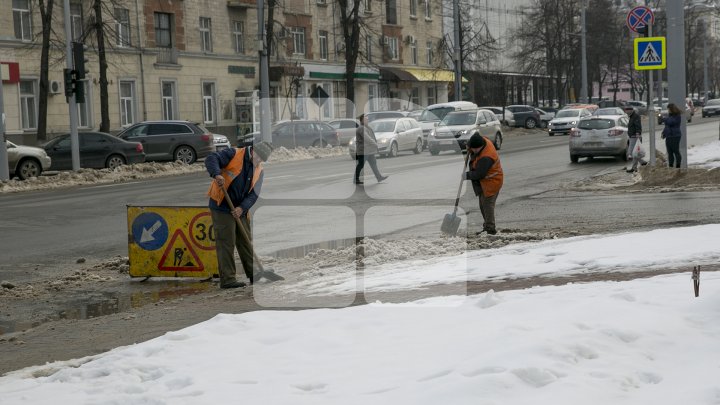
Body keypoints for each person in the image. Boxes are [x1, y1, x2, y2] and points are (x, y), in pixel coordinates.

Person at [205, 141, 273, 288]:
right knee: (226, 242)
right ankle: (228, 279)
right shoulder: (233, 154)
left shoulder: (259, 170)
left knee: (246, 241)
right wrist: (217, 174)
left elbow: (254, 195)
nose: (259, 161)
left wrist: (242, 208)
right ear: (253, 150)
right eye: (258, 156)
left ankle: (253, 274)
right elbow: (211, 158)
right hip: (222, 204)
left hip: (240, 208)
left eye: (262, 159)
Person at [464, 133, 504, 235]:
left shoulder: (486, 157)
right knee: (482, 205)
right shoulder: (482, 140)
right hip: (484, 182)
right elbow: (472, 142)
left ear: (481, 146)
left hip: (492, 181)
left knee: (487, 205)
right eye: (473, 149)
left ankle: (490, 229)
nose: (474, 151)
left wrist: (466, 176)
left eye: (476, 149)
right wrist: (469, 147)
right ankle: (487, 226)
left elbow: (479, 174)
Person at [354, 114, 388, 185]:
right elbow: (367, 138)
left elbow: (371, 136)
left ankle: (379, 177)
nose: (367, 121)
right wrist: (375, 144)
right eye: (366, 120)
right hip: (363, 151)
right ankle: (355, 179)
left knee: (373, 164)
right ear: (362, 121)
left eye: (367, 120)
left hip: (369, 151)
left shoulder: (367, 127)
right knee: (360, 165)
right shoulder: (361, 128)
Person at [624, 106, 647, 173]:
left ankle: (638, 165)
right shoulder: (631, 116)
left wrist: (638, 133)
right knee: (635, 153)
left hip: (635, 137)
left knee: (631, 152)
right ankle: (640, 164)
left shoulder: (635, 116)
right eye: (625, 111)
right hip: (632, 136)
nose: (626, 112)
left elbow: (638, 126)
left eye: (627, 110)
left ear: (630, 110)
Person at [662, 103, 683, 168]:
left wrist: (664, 119)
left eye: (668, 109)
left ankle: (678, 165)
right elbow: (667, 126)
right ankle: (671, 166)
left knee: (676, 151)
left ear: (672, 109)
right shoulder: (669, 116)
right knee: (669, 152)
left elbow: (671, 122)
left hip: (675, 136)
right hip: (669, 136)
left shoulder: (677, 116)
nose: (668, 110)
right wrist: (664, 133)